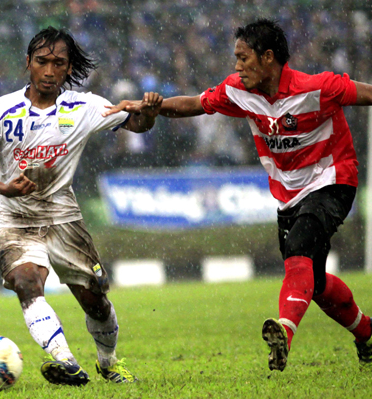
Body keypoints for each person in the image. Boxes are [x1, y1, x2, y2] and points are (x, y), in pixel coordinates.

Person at [104, 18, 372, 372]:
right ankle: (367, 334)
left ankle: (284, 333)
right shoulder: (238, 91)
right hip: (287, 192)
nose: (237, 66)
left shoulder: (319, 87)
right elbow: (195, 104)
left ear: (268, 58)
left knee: (300, 246)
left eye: (243, 58)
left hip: (333, 179)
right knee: (315, 283)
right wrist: (151, 106)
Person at [0, 26, 162, 385]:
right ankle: (67, 362)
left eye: (58, 63)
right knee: (27, 281)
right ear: (28, 63)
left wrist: (148, 112)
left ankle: (108, 362)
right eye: (42, 61)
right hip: (17, 219)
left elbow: (136, 123)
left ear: (68, 68)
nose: (49, 71)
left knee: (96, 301)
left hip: (64, 218)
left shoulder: (84, 106)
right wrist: (4, 188)